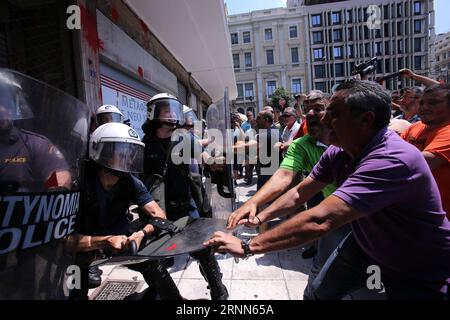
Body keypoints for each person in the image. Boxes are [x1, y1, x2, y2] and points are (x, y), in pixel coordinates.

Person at [206, 79, 450, 300]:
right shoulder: (339, 149)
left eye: (333, 113)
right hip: (365, 243)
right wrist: (258, 213)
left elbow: (321, 219)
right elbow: (301, 191)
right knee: (317, 294)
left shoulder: (392, 159)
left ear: (365, 120)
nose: (322, 120)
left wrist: (249, 247)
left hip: (416, 263)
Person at [68, 122, 184, 300]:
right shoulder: (77, 182)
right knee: (74, 290)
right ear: (101, 152)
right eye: (120, 152)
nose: (127, 158)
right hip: (82, 250)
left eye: (130, 153)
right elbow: (64, 241)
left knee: (152, 263)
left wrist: (141, 234)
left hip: (120, 241)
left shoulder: (129, 182)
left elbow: (159, 216)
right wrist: (104, 241)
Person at [141, 93, 228, 300]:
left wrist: (216, 162)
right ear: (154, 113)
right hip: (157, 209)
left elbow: (204, 157)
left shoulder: (184, 137)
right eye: (166, 110)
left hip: (185, 204)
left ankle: (219, 290)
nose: (171, 114)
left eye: (173, 110)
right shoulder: (145, 143)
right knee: (152, 257)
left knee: (204, 249)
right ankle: (165, 294)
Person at [402, 83, 450, 218]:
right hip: (413, 214)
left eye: (432, 103)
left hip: (440, 219)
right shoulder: (415, 127)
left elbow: (418, 164)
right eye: (421, 103)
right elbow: (393, 152)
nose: (424, 107)